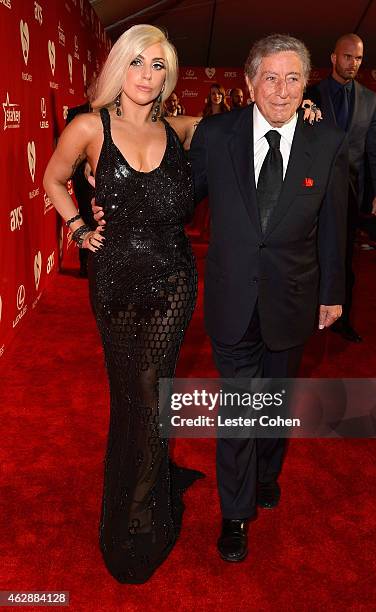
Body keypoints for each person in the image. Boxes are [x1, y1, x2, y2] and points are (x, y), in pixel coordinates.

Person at [43, 24, 204, 584]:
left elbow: (255, 123)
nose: (147, 76)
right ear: (119, 66)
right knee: (129, 395)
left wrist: (296, 101)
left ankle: (139, 519)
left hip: (172, 282)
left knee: (150, 391)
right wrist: (80, 229)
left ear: (169, 76)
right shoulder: (90, 127)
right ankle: (143, 488)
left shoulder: (182, 129)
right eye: (138, 62)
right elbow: (54, 178)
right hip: (113, 280)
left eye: (159, 66)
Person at [189, 33, 349, 563]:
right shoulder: (215, 135)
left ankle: (268, 474)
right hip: (232, 298)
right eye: (270, 78)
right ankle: (235, 515)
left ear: (308, 84)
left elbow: (334, 226)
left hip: (294, 298)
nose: (281, 91)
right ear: (249, 81)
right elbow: (180, 201)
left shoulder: (326, 140)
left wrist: (331, 293)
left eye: (293, 78)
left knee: (275, 402)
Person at [308, 33, 376, 342]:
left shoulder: (370, 101)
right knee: (307, 254)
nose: (352, 63)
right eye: (347, 57)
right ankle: (306, 313)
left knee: (343, 258)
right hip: (311, 190)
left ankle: (341, 319)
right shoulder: (311, 94)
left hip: (349, 193)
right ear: (333, 58)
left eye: (357, 58)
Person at [65, 100, 94, 277]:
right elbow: (69, 145)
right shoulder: (76, 113)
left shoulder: (116, 111)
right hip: (82, 176)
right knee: (85, 215)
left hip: (106, 174)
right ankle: (85, 265)